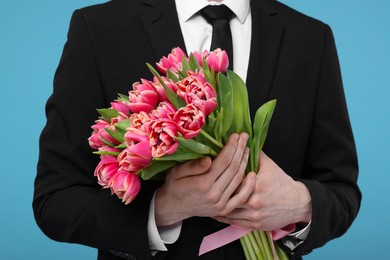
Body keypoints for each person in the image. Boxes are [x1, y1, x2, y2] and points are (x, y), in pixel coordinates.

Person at [33, 0, 361, 259]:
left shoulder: (310, 38)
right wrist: (163, 209)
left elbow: (342, 192)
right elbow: (55, 199)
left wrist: (298, 203)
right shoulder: (99, 29)